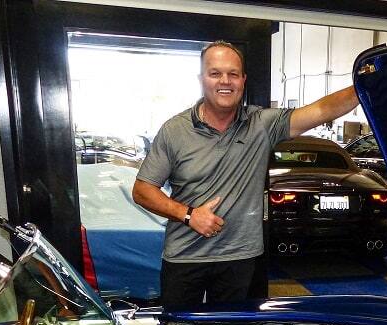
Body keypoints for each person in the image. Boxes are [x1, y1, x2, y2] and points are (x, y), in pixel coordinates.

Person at [132, 41, 358, 309]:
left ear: (243, 80)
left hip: (240, 258)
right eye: (215, 73)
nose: (224, 81)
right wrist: (189, 215)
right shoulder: (174, 130)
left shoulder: (262, 125)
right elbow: (142, 190)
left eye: (233, 74)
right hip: (185, 257)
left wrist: (365, 85)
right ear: (201, 79)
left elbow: (321, 110)